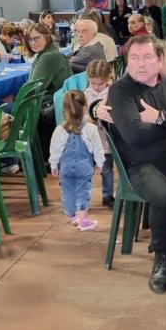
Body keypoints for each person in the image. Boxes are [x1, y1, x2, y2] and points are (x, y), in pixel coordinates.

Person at [94, 35, 166, 293]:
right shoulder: (121, 90)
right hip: (140, 165)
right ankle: (163, 260)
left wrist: (160, 117)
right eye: (134, 58)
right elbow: (134, 135)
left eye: (147, 57)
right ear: (126, 61)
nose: (140, 64)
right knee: (165, 198)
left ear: (160, 60)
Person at [49, 90, 104, 232]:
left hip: (65, 168)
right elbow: (98, 148)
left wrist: (53, 164)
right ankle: (83, 219)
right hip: (84, 167)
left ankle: (71, 216)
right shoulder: (91, 128)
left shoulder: (59, 130)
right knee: (83, 190)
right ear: (85, 107)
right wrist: (100, 163)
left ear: (64, 109)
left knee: (67, 191)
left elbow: (54, 150)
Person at [26, 21, 73, 163]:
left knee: (5, 109)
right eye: (30, 39)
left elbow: (33, 89)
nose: (33, 43)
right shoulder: (49, 53)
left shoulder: (48, 57)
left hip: (49, 104)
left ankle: (10, 161)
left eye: (37, 38)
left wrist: (13, 99)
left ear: (47, 36)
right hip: (56, 100)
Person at [84, 60, 115, 207]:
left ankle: (108, 196)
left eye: (100, 84)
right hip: (90, 141)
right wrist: (88, 119)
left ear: (108, 79)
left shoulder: (113, 93)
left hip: (106, 141)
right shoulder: (85, 95)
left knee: (107, 170)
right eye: (93, 83)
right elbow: (81, 115)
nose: (96, 87)